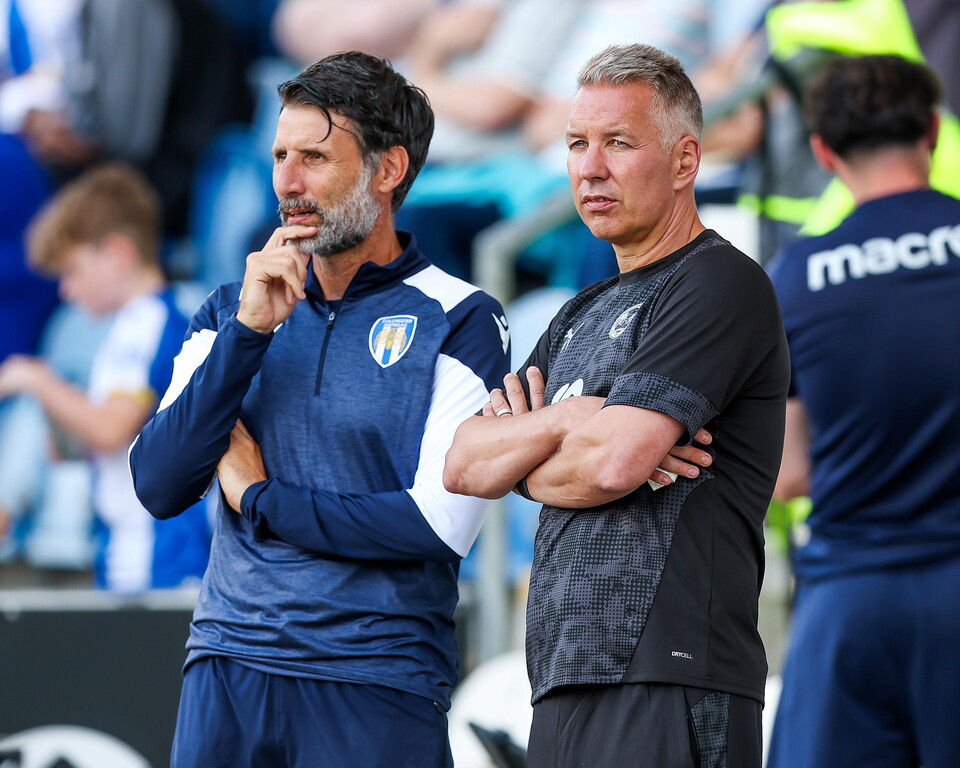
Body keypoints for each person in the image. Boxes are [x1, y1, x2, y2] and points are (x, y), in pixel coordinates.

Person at [128, 51, 511, 768]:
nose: (287, 182)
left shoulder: (462, 318)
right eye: (278, 155)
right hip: (227, 666)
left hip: (375, 676)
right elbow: (157, 483)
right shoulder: (226, 311)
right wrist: (246, 336)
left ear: (387, 169)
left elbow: (433, 524)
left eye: (314, 157)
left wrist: (259, 497)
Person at [444, 43, 790, 767]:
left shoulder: (718, 282)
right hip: (565, 677)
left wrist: (532, 450)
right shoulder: (575, 315)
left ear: (685, 162)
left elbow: (610, 465)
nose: (589, 167)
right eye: (576, 144)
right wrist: (571, 419)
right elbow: (464, 464)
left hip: (672, 674)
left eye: (618, 143)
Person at [766, 55, 960, 768]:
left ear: (823, 151)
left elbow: (789, 475)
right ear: (932, 132)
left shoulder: (795, 276)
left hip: (851, 605)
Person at [0, 163, 211, 591]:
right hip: (130, 551)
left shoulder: (146, 321)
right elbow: (114, 441)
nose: (66, 290)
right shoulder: (133, 325)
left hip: (159, 556)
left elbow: (112, 428)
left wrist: (34, 378)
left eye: (73, 270)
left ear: (116, 254)